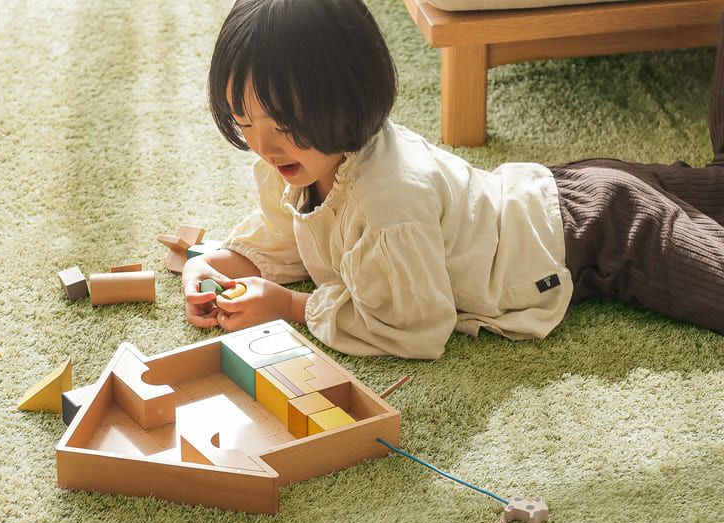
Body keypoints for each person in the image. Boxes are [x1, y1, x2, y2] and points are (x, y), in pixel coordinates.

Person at [181, 0, 724, 359]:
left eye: (282, 126)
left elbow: (414, 328)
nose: (263, 146)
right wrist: (214, 265)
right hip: (558, 192)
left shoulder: (387, 204)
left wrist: (289, 307)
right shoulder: (303, 161)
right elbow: (289, 237)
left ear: (345, 100)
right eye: (243, 121)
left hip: (602, 233)